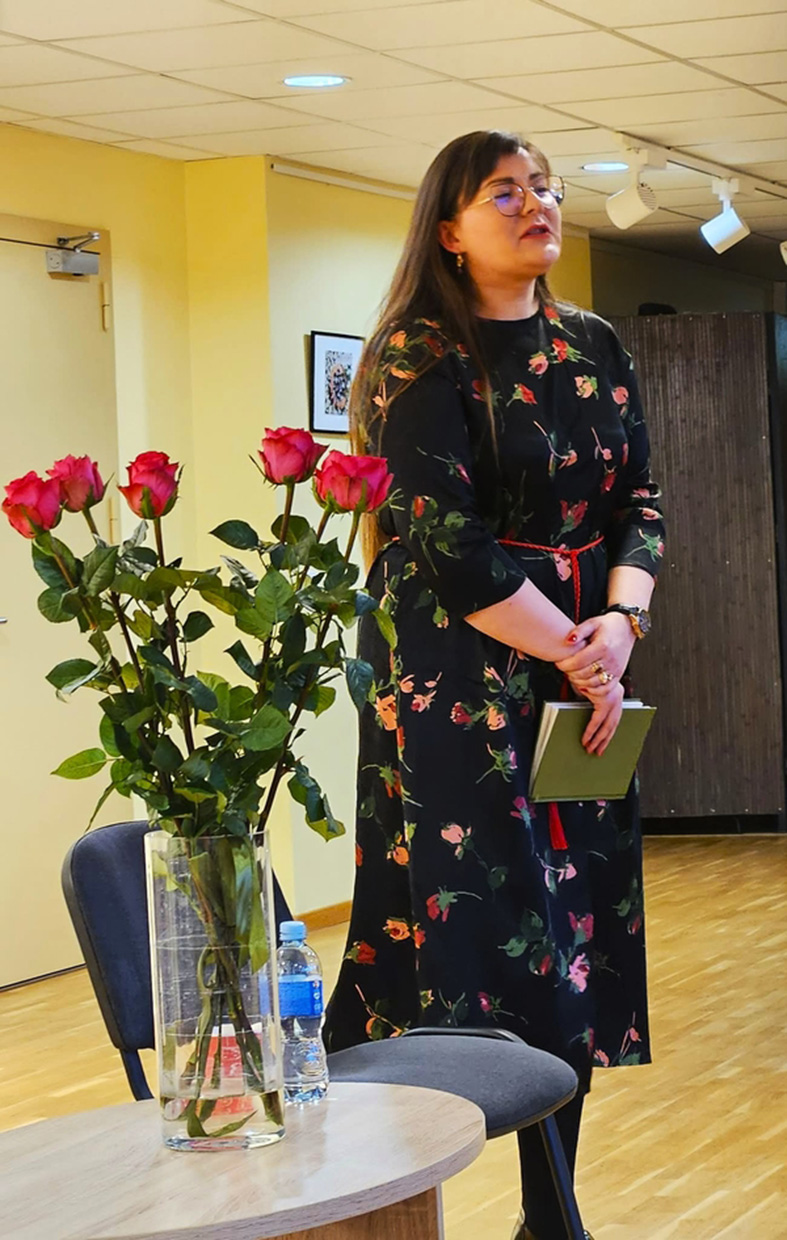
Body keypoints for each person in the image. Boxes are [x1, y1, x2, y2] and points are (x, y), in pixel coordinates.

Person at [323, 129, 665, 1240]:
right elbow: (445, 542)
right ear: (450, 231)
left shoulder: (592, 342)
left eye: (543, 187)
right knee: (487, 925)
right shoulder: (417, 355)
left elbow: (640, 498)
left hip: (581, 668)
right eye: (504, 193)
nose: (536, 205)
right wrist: (574, 647)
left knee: (577, 927)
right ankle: (371, 1198)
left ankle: (551, 1211)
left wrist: (621, 621)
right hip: (456, 674)